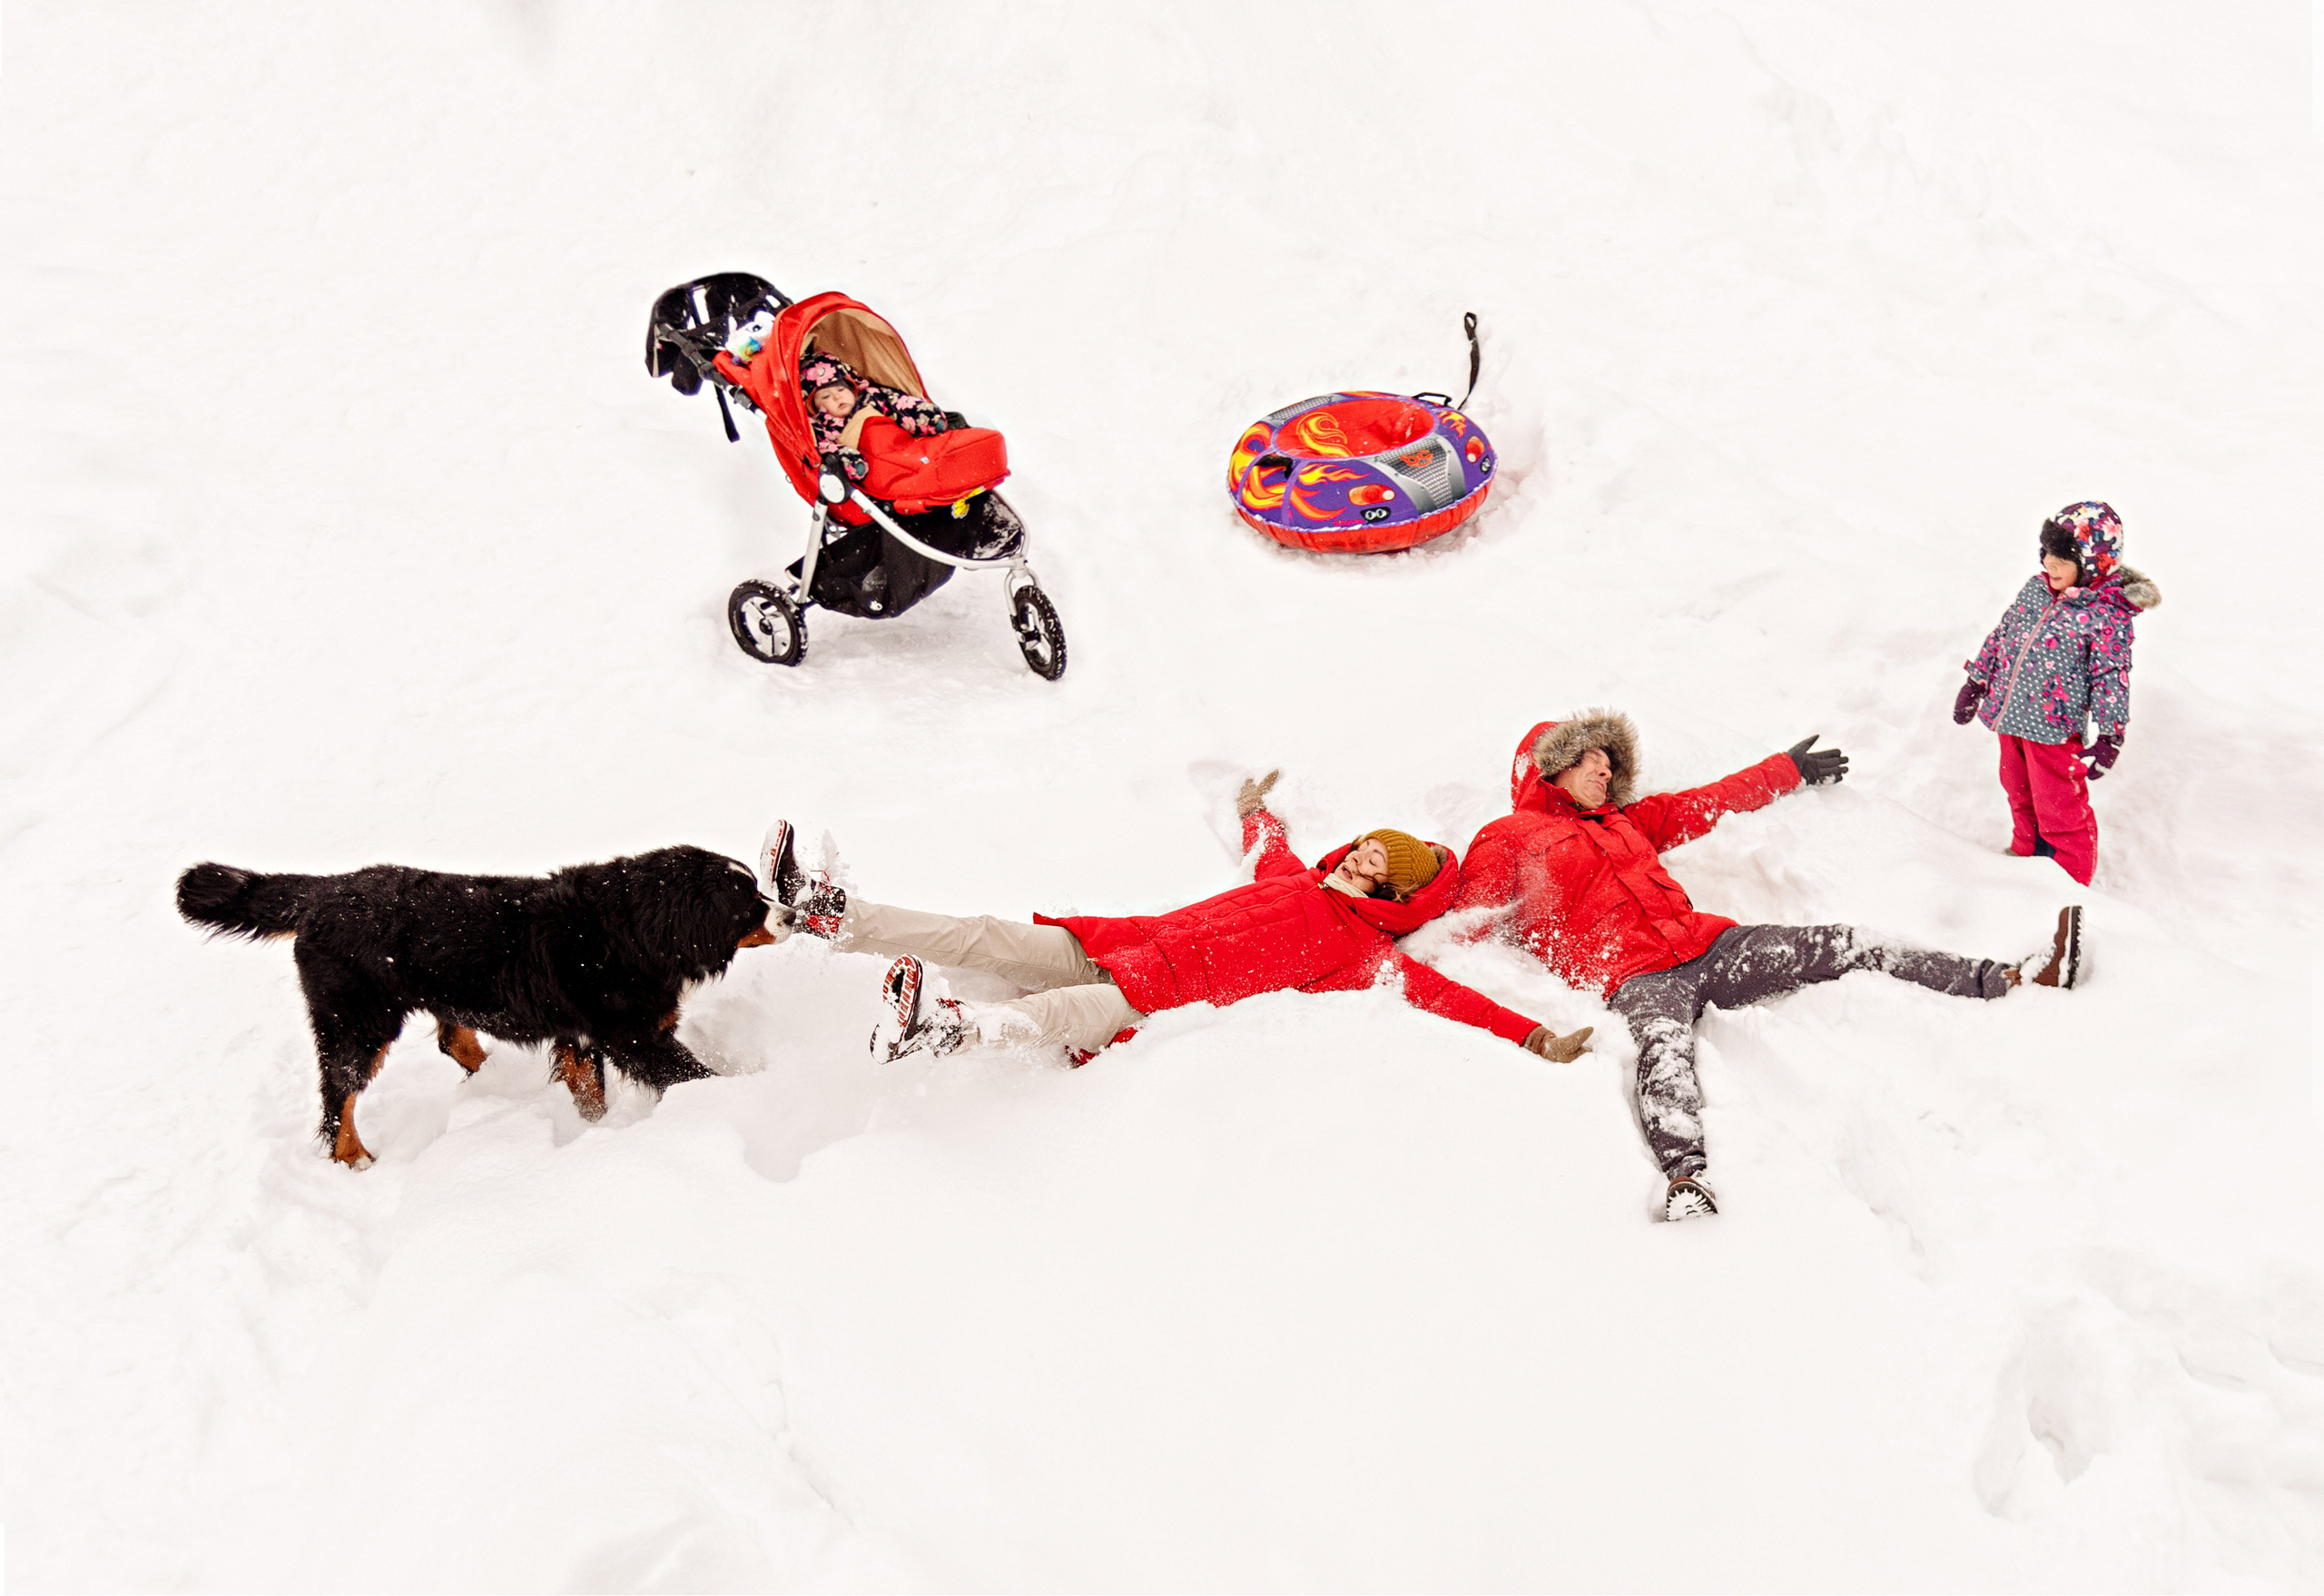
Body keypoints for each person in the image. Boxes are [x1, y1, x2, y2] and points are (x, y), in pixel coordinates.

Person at [1452, 713, 2081, 1222]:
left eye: (1610, 761)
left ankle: (2004, 977)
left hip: (1711, 948)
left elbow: (1710, 801)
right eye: (1591, 758)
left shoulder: (1628, 822)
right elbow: (1462, 932)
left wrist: (1788, 769)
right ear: (1552, 765)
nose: (1605, 769)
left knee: (1844, 942)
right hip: (1635, 978)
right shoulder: (1507, 837)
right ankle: (1686, 1178)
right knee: (1663, 1052)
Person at [757, 774, 1595, 1066]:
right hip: (1122, 943)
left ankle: (941, 1033)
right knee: (985, 934)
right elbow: (1268, 842)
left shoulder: (1362, 955)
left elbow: (1452, 1000)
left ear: (1394, 897)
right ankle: (833, 914)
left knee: (1054, 1014)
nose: (1356, 861)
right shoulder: (1295, 876)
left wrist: (1534, 1036)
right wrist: (1255, 806)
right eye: (1362, 849)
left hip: (1149, 998)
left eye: (1376, 867)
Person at [1954, 500, 2162, 886]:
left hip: (2053, 729)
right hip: (2010, 716)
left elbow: (2111, 677)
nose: (2049, 563)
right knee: (2018, 792)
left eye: (2062, 558)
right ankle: (2024, 856)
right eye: (2046, 551)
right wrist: (1977, 680)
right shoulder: (2036, 589)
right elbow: (2003, 635)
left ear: (2093, 564)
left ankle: (2069, 883)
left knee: (2059, 807)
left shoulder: (2106, 615)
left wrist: (2111, 735)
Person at [799, 349, 950, 487]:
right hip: (874, 465)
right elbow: (825, 448)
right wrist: (848, 460)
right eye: (826, 396)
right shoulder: (821, 427)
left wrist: (922, 416)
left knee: (937, 454)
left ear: (851, 387)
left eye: (841, 389)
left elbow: (897, 404)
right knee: (901, 477)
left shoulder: (871, 397)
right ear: (813, 406)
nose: (837, 397)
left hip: (903, 445)